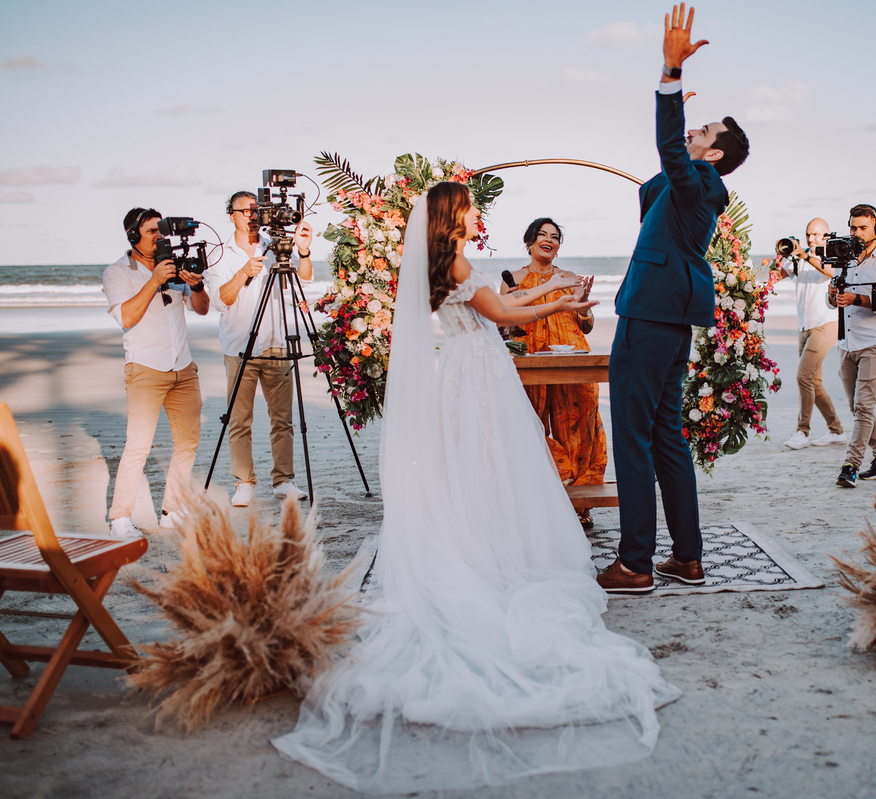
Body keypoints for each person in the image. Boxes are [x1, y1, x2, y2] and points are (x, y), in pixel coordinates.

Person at [272, 182, 679, 792]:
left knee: (482, 465)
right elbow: (505, 314)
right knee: (495, 462)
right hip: (481, 369)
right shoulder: (458, 263)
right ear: (452, 214)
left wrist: (556, 292)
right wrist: (551, 303)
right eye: (469, 204)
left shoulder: (449, 261)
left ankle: (486, 537)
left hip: (467, 367)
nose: (476, 210)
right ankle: (495, 551)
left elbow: (504, 297)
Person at [604, 3, 749, 594]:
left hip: (648, 315)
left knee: (631, 437)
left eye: (703, 131)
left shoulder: (702, 182)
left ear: (714, 155)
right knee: (666, 436)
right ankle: (686, 558)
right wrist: (681, 143)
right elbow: (649, 192)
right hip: (670, 319)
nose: (694, 130)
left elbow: (670, 160)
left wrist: (670, 80)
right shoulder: (694, 186)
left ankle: (635, 563)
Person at [102, 207, 209, 538]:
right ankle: (120, 518)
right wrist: (155, 280)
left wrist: (198, 285)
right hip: (146, 369)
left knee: (187, 443)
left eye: (161, 230)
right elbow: (126, 317)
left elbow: (202, 309)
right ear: (133, 236)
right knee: (138, 446)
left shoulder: (173, 264)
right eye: (151, 231)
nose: (159, 237)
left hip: (183, 367)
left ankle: (171, 511)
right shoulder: (117, 272)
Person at [203, 191, 312, 506]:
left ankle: (284, 481)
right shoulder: (219, 255)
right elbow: (219, 300)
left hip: (277, 342)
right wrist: (244, 273)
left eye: (257, 210)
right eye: (245, 211)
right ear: (232, 215)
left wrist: (303, 251)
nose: (253, 216)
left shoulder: (275, 244)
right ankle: (243, 483)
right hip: (240, 346)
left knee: (283, 420)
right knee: (239, 421)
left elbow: (303, 280)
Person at [501, 218, 606, 527]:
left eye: (555, 237)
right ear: (530, 242)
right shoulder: (512, 279)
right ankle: (539, 499)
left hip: (572, 357)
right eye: (542, 234)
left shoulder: (569, 278)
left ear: (558, 247)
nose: (549, 239)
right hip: (528, 360)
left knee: (578, 426)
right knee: (528, 425)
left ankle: (579, 504)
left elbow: (586, 325)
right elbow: (503, 322)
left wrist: (584, 307)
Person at [827, 204, 876, 488]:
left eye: (863, 228)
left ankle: (850, 466)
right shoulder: (843, 259)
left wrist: (856, 299)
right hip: (847, 342)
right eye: (853, 227)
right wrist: (833, 296)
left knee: (863, 406)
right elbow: (831, 302)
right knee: (857, 407)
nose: (857, 233)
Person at [783, 217, 846, 450]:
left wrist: (805, 255)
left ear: (826, 236)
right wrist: (782, 255)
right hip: (804, 326)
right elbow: (774, 276)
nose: (811, 238)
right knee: (814, 382)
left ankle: (802, 431)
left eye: (816, 234)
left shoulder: (833, 256)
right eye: (808, 234)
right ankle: (836, 431)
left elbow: (830, 272)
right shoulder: (799, 258)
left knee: (803, 376)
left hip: (826, 324)